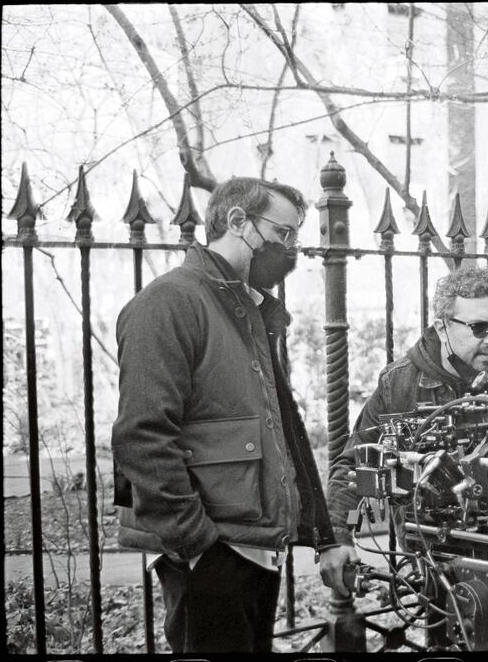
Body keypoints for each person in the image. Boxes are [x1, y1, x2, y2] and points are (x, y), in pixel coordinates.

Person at [111, 177, 338, 653]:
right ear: (238, 221)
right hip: (212, 553)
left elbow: (285, 429)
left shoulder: (245, 310)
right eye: (283, 234)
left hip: (254, 548)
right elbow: (142, 436)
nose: (292, 250)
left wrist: (320, 532)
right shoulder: (168, 302)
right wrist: (198, 547)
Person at [321, 266, 488, 635]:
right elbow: (355, 462)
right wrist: (336, 537)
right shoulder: (400, 382)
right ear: (441, 328)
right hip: (436, 552)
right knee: (445, 638)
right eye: (480, 328)